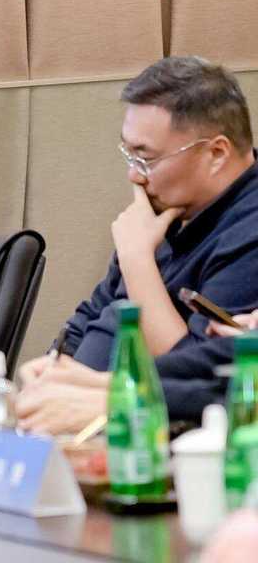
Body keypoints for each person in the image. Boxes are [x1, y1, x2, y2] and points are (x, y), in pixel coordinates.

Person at [15, 56, 258, 434]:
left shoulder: (248, 230)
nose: (134, 175)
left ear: (216, 153)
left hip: (150, 433)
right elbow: (91, 316)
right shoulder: (166, 211)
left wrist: (138, 260)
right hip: (85, 421)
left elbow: (205, 372)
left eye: (146, 158)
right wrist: (54, 366)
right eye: (129, 155)